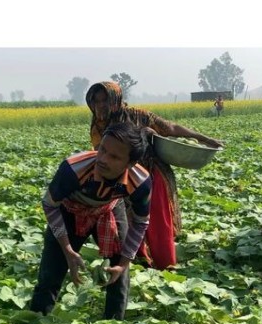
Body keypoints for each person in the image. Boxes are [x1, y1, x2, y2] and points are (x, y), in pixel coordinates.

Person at [85, 81, 224, 270]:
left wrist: (206, 139)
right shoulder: (97, 126)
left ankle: (166, 264)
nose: (101, 105)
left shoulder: (139, 115)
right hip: (121, 179)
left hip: (151, 175)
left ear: (116, 99)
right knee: (128, 221)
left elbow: (171, 128)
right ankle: (141, 262)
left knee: (157, 221)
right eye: (97, 101)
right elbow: (99, 154)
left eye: (105, 100)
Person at [29, 122, 152, 320]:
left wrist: (124, 263)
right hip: (69, 209)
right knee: (52, 271)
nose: (102, 159)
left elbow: (140, 222)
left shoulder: (140, 181)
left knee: (119, 273)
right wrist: (67, 250)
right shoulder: (74, 168)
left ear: (130, 164)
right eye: (102, 149)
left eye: (114, 156)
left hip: (109, 209)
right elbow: (50, 204)